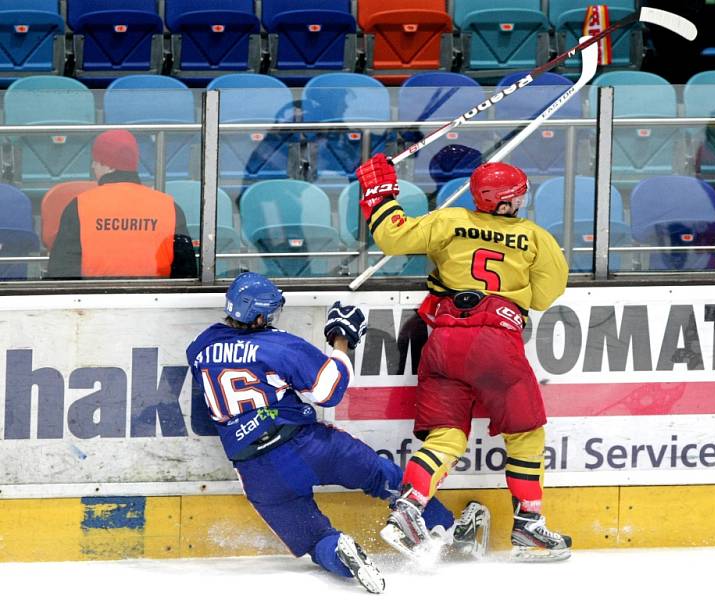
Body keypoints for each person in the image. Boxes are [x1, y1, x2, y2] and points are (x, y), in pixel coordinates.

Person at [186, 272, 488, 594]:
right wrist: (341, 342)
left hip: (256, 471)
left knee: (316, 540)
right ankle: (450, 529)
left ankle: (341, 548)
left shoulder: (200, 347)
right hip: (308, 446)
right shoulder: (280, 346)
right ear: (259, 315)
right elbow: (328, 391)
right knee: (381, 477)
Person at [355, 154, 571, 562]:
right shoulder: (534, 236)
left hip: (443, 339)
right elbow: (545, 296)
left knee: (447, 436)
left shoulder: (449, 220)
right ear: (505, 202)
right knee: (525, 433)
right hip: (495, 343)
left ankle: (407, 510)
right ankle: (528, 527)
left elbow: (392, 239)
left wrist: (379, 195)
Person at [47, 129, 197, 279]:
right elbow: (187, 273)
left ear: (108, 165)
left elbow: (61, 273)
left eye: (96, 161)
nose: (93, 166)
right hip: (156, 299)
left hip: (95, 299)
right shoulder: (169, 207)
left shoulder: (79, 206)